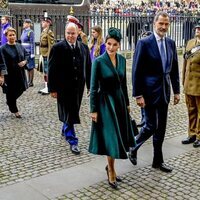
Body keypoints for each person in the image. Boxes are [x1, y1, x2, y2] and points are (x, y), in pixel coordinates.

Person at [130, 11, 180, 173]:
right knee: (151, 126)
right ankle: (133, 146)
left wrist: (177, 91)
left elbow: (174, 70)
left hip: (164, 92)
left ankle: (158, 161)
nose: (164, 27)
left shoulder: (171, 43)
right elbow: (136, 71)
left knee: (161, 128)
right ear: (154, 24)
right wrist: (138, 94)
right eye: (161, 24)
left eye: (166, 24)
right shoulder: (144, 43)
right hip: (148, 92)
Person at [89, 27, 136, 189]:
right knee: (111, 138)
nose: (110, 47)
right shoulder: (99, 61)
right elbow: (93, 87)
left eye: (114, 45)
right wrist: (93, 110)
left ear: (119, 45)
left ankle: (110, 167)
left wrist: (128, 104)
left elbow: (123, 85)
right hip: (105, 104)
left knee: (119, 136)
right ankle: (111, 170)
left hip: (120, 102)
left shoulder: (122, 60)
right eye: (108, 44)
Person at [48, 22, 91, 155]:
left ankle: (65, 127)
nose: (70, 36)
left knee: (72, 111)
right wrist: (52, 89)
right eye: (68, 33)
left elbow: (88, 68)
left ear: (78, 33)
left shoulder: (84, 48)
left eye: (73, 33)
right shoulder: (57, 48)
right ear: (65, 33)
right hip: (63, 88)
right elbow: (52, 70)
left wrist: (90, 86)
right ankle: (73, 141)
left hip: (78, 88)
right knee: (69, 113)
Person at [1, 27, 29, 118]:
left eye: (13, 35)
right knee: (11, 92)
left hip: (20, 74)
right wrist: (2, 76)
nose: (12, 37)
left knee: (21, 89)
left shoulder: (19, 46)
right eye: (10, 35)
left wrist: (25, 62)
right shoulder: (3, 48)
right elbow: (1, 62)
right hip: (9, 75)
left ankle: (10, 101)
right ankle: (15, 110)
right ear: (6, 36)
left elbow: (26, 55)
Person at [181, 22, 200, 148]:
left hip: (199, 84)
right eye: (197, 28)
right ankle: (192, 133)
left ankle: (199, 135)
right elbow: (185, 64)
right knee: (191, 110)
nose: (197, 30)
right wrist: (183, 80)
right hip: (189, 84)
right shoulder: (190, 43)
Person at [38, 17, 54, 95]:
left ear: (48, 23)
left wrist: (49, 56)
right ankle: (46, 86)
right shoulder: (43, 32)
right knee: (45, 71)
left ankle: (49, 87)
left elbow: (51, 45)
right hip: (43, 54)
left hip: (47, 55)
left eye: (44, 22)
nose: (42, 23)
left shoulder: (49, 32)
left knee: (48, 71)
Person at [20, 19, 35, 87]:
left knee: (30, 67)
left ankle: (31, 82)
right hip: (24, 51)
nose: (23, 24)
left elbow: (32, 43)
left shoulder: (30, 32)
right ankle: (28, 81)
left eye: (25, 23)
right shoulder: (23, 31)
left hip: (29, 51)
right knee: (27, 67)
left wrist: (32, 53)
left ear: (29, 24)